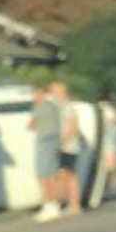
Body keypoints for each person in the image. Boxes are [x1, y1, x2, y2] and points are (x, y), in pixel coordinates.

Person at [30, 84, 63, 223]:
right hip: (49, 141)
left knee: (46, 176)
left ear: (41, 94)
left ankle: (52, 205)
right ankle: (50, 205)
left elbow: (32, 125)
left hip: (47, 141)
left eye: (35, 94)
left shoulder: (43, 107)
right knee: (46, 175)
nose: (33, 97)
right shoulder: (51, 106)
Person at [53, 82, 84, 216]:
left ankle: (74, 205)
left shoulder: (67, 108)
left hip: (68, 147)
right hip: (67, 146)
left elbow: (72, 127)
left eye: (55, 92)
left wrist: (60, 142)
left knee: (70, 176)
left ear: (62, 93)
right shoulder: (63, 107)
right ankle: (70, 204)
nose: (53, 95)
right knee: (65, 175)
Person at [99, 98, 116, 198]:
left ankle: (110, 188)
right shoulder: (107, 109)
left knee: (110, 167)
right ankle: (109, 188)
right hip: (110, 144)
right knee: (110, 167)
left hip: (111, 144)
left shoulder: (107, 110)